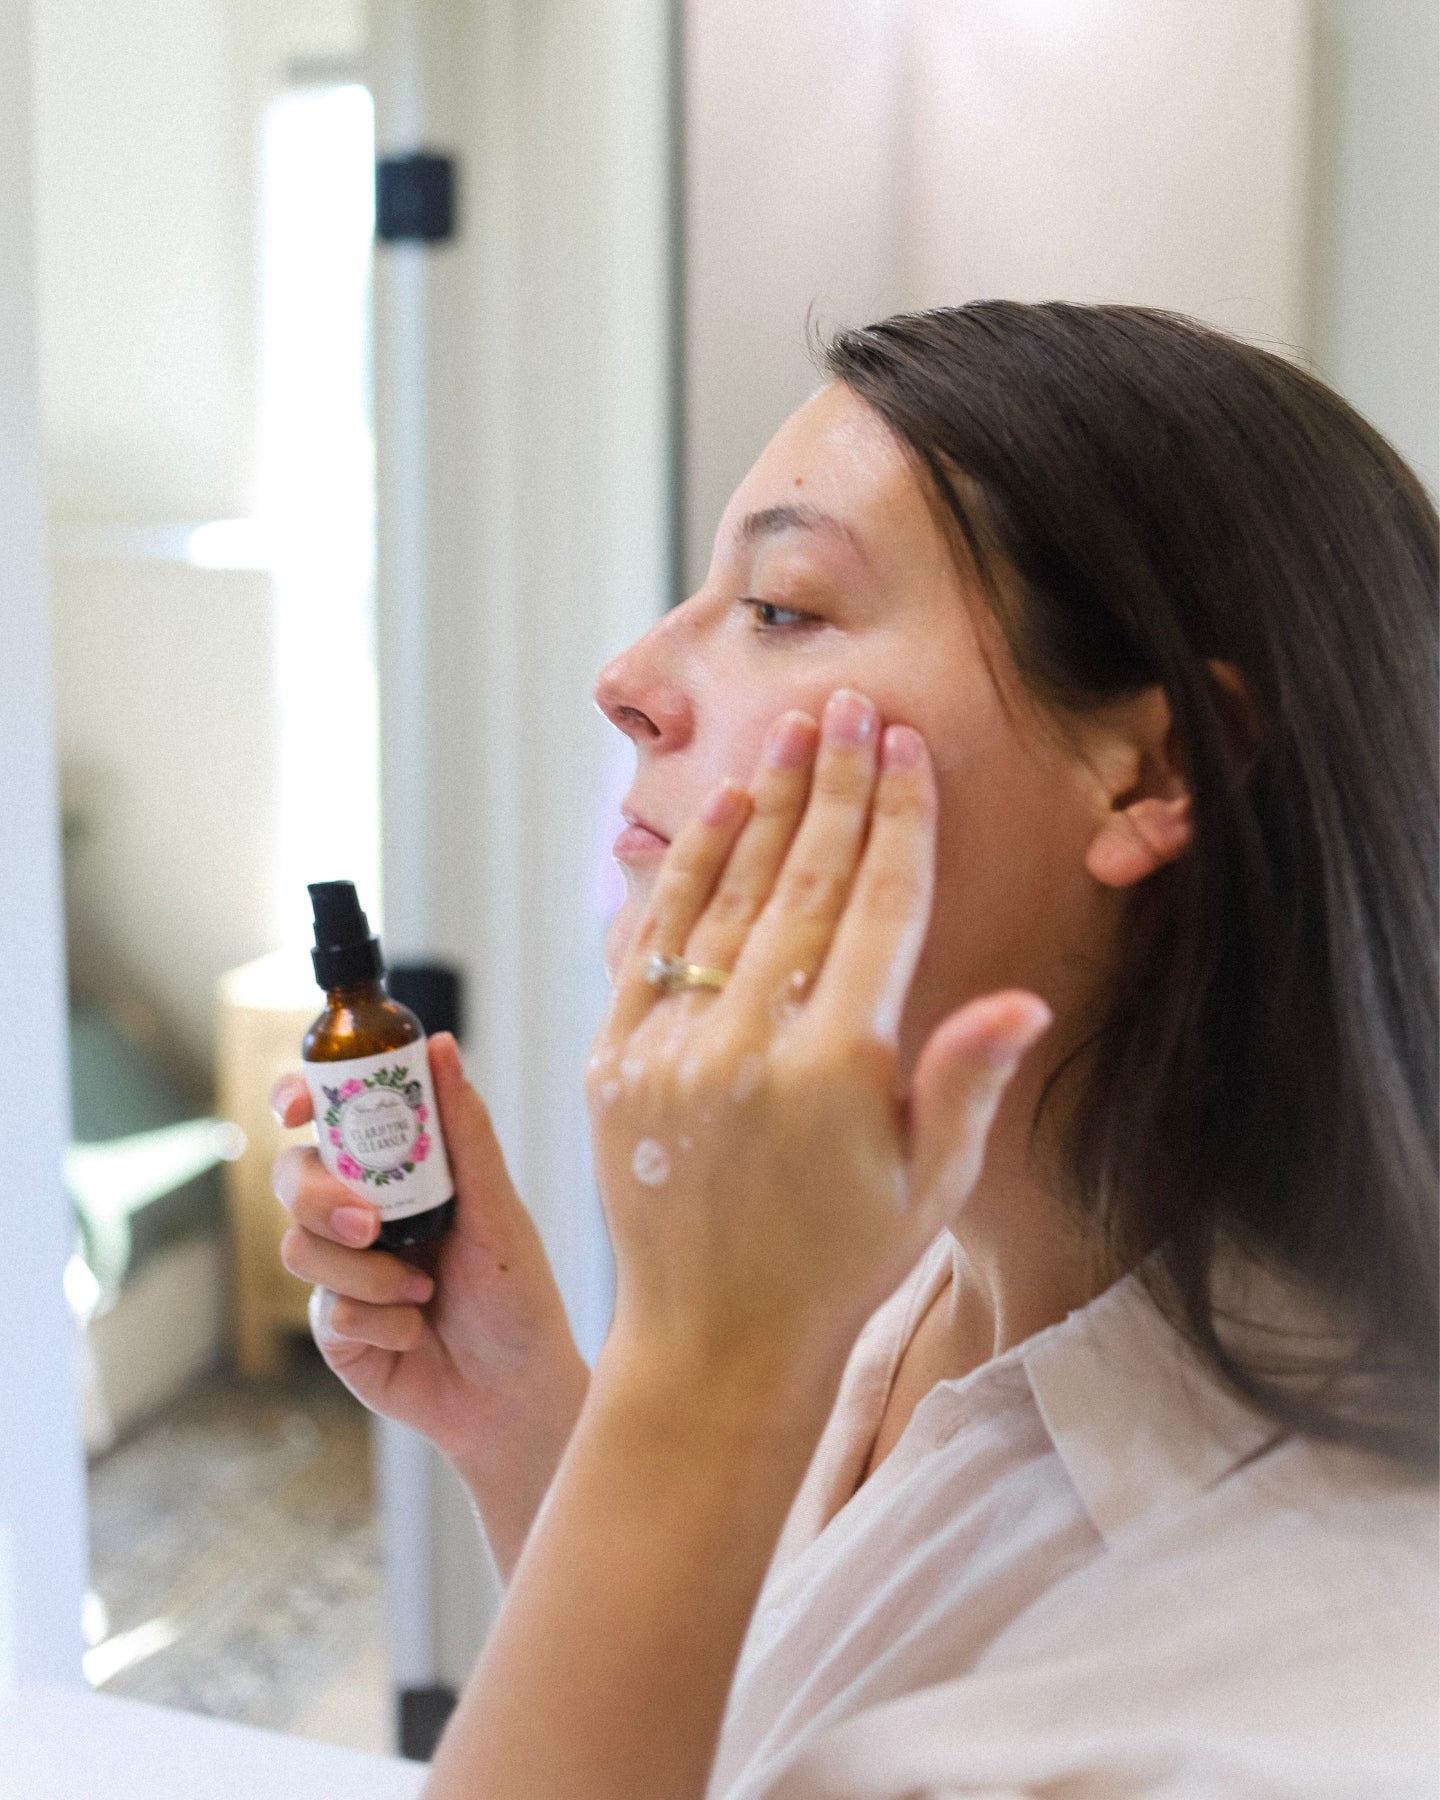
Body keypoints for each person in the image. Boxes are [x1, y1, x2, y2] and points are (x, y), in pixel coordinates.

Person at [270, 303, 1438, 1799]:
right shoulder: (933, 1291)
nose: (627, 676)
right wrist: (537, 1425)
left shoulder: (1320, 1707)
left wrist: (697, 1373)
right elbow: (755, 1720)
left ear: (1149, 768)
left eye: (783, 606)